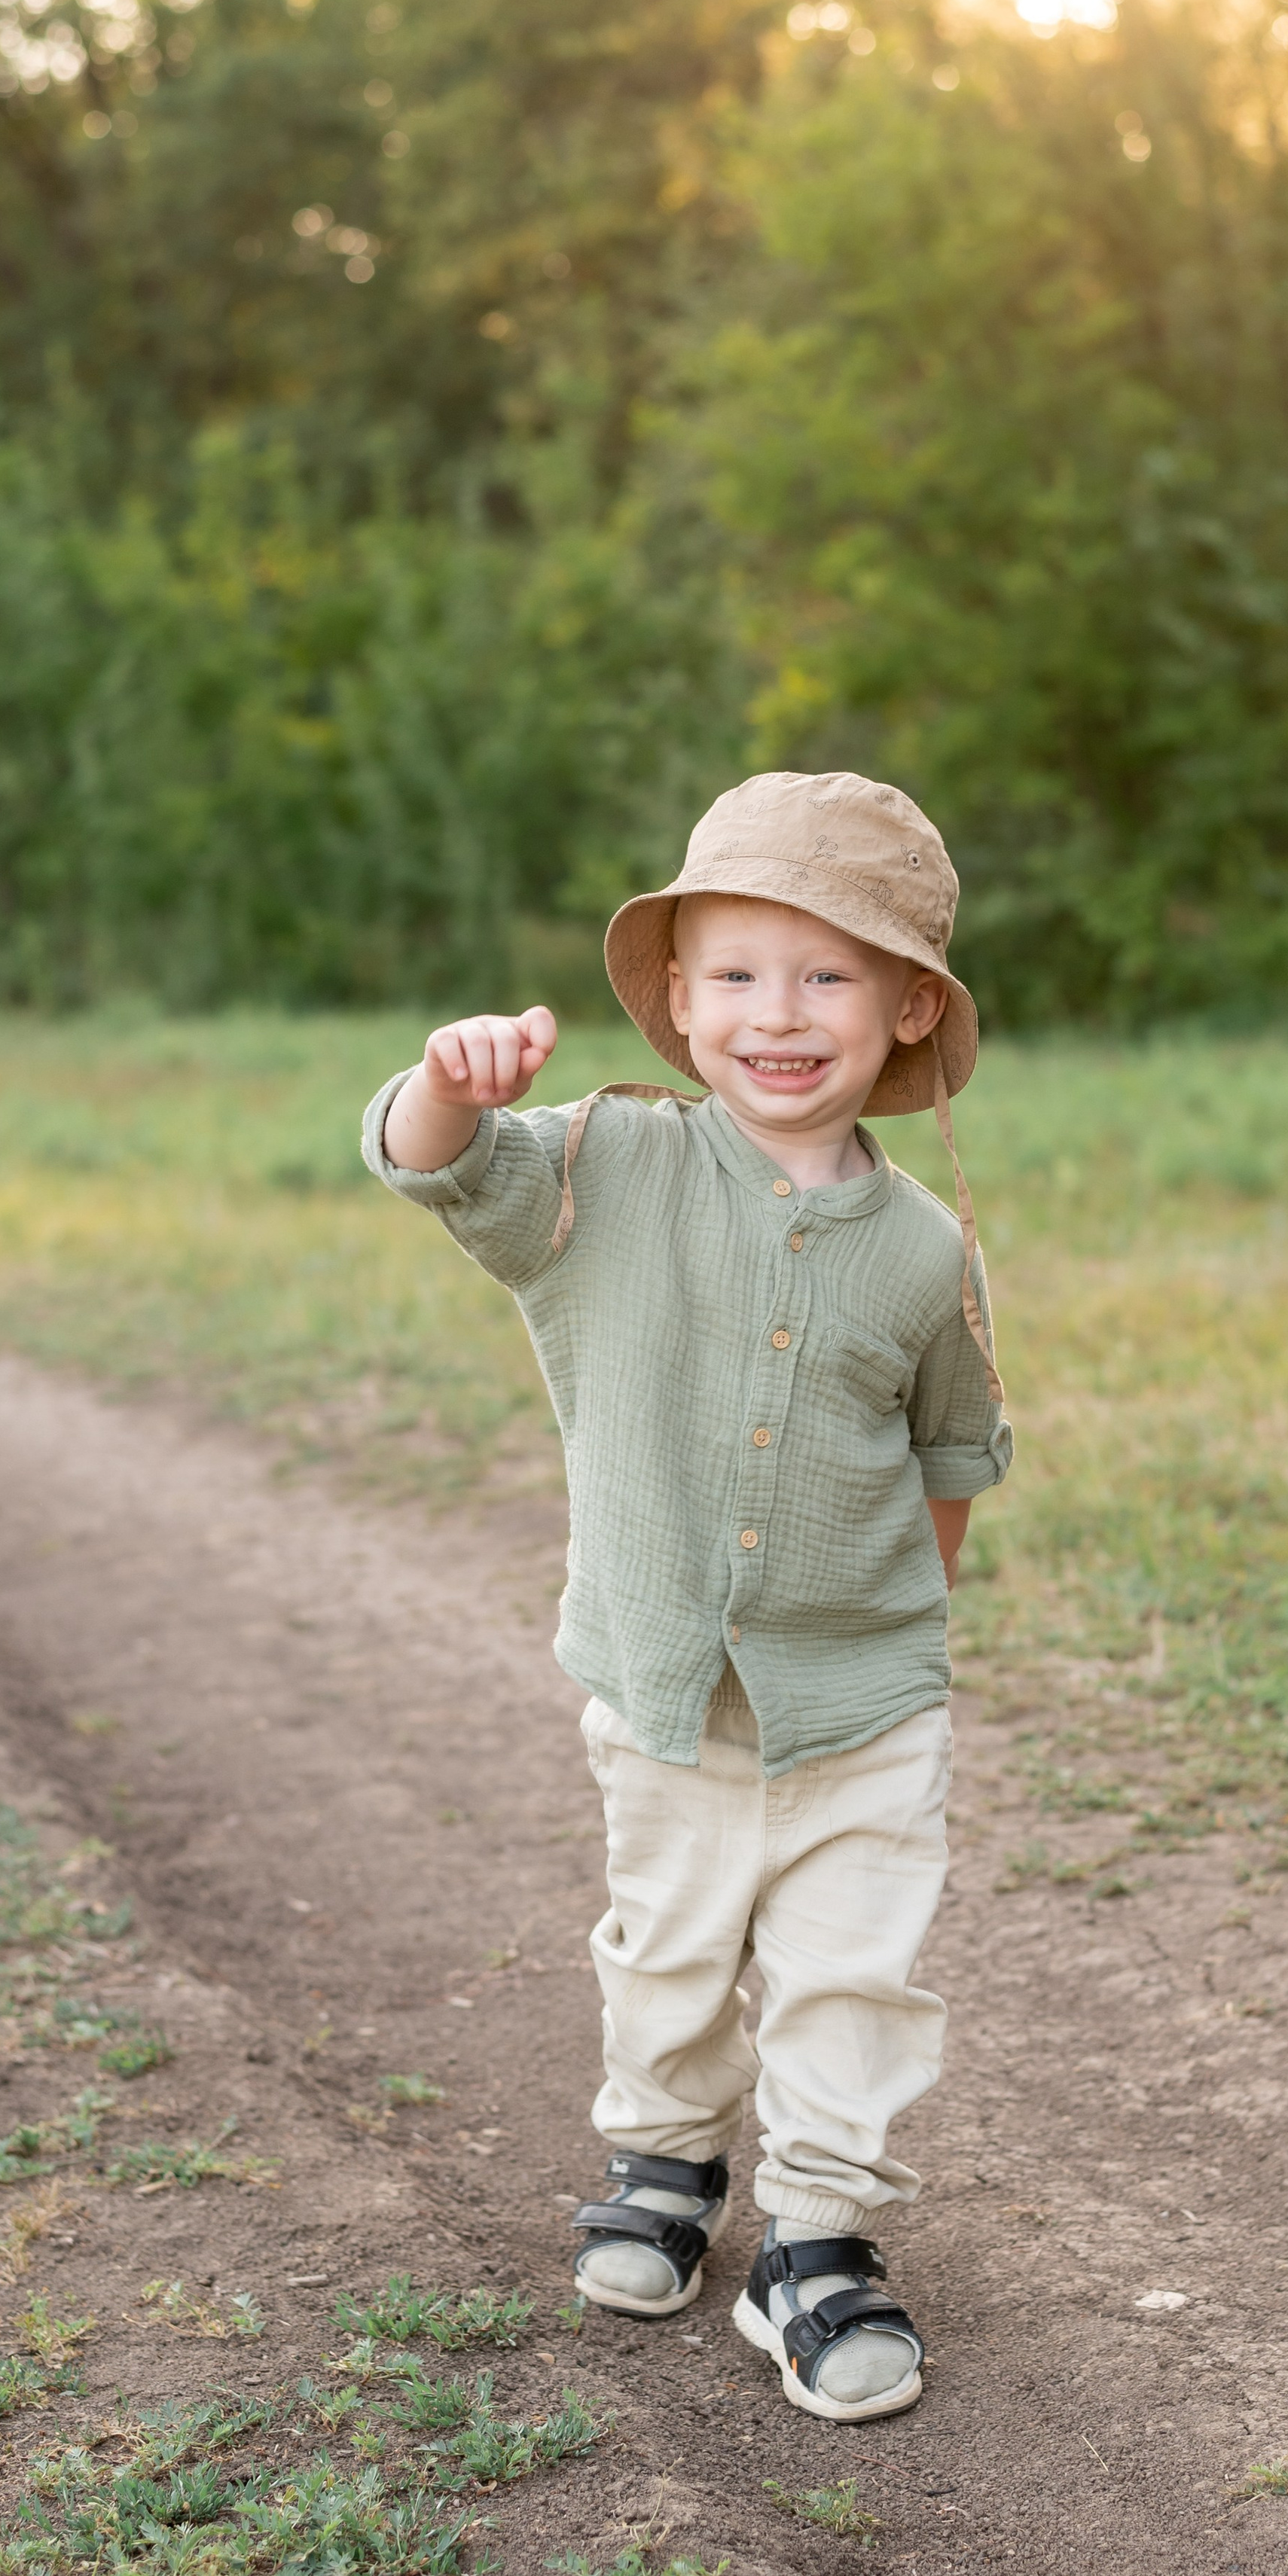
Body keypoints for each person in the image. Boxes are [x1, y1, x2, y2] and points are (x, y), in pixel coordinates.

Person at [362, 770, 1012, 2422]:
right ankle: (662, 2157)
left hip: (864, 1705)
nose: (776, 1014)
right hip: (666, 1686)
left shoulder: (923, 1248)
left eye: (826, 974)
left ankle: (818, 2238)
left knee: (852, 1972)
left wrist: (884, 1644)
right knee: (669, 1945)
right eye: (735, 973)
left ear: (907, 1006)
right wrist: (446, 1087)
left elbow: (948, 1458)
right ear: (675, 993)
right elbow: (435, 1168)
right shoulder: (609, 1170)